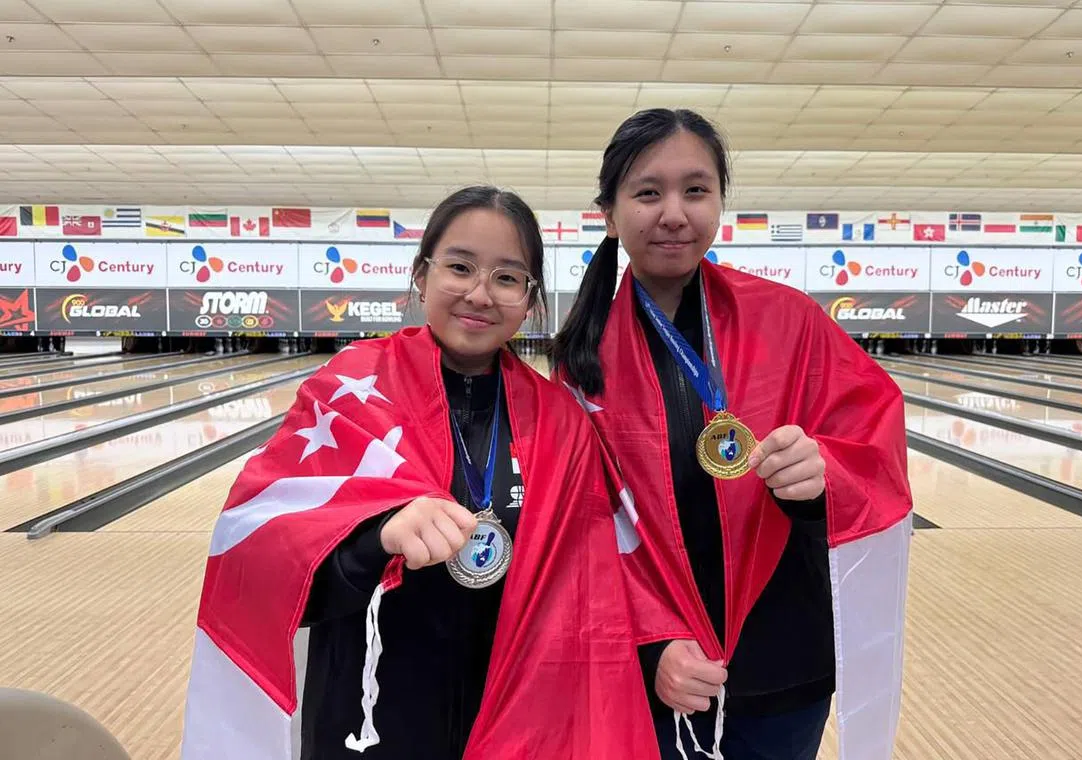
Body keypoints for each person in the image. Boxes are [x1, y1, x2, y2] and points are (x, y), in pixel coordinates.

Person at [180, 186, 661, 760]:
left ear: (531, 301)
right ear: (421, 275)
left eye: (508, 278)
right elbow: (264, 568)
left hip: (518, 711)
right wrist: (375, 540)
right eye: (460, 267)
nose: (480, 294)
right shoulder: (348, 394)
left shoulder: (561, 421)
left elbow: (593, 587)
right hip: (371, 721)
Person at [552, 109, 914, 760]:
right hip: (656, 675)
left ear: (720, 201)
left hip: (784, 665)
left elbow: (872, 444)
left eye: (696, 190)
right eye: (647, 192)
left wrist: (822, 473)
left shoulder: (790, 320)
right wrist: (651, 645)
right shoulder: (582, 359)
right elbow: (586, 531)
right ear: (608, 213)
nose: (673, 212)